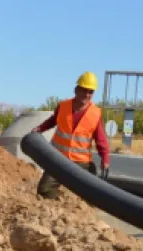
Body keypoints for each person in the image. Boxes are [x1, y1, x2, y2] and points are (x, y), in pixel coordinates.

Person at [32, 71, 111, 199]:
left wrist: (105, 158)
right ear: (76, 90)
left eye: (90, 92)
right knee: (44, 189)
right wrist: (40, 128)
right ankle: (59, 210)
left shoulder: (95, 113)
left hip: (81, 163)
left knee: (90, 195)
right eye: (84, 90)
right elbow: (53, 120)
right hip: (58, 158)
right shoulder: (63, 106)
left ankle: (83, 215)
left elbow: (101, 139)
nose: (87, 94)